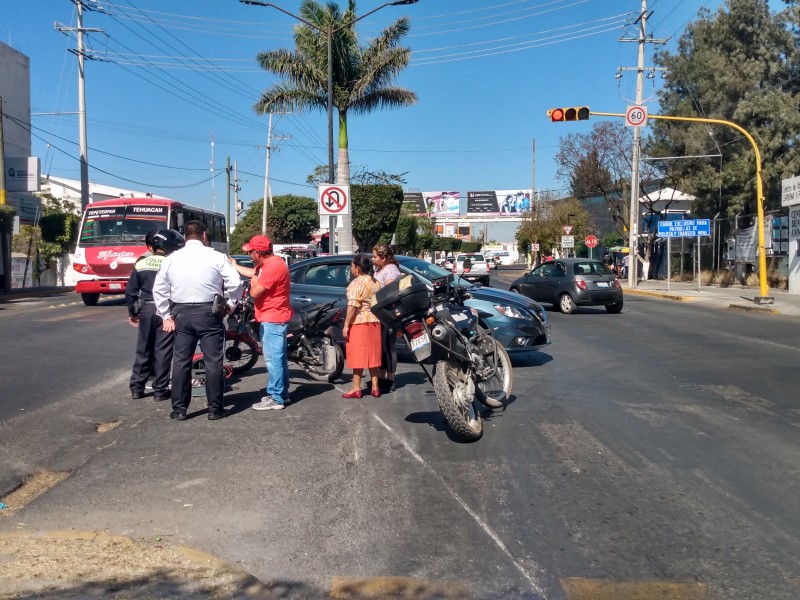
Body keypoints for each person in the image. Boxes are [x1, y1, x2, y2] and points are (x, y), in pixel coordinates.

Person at [153, 220, 242, 421]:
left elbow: (159, 289)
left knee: (181, 362)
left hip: (181, 314)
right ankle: (214, 409)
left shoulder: (171, 259)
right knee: (213, 362)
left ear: (184, 237)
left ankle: (180, 409)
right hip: (209, 313)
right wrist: (231, 304)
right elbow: (235, 282)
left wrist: (165, 315)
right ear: (204, 236)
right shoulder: (216, 256)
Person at [231, 235, 293, 411]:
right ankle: (282, 394)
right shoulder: (271, 264)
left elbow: (255, 292)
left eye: (251, 252)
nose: (250, 254)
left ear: (258, 252)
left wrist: (253, 279)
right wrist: (235, 266)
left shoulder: (272, 267)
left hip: (273, 318)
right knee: (278, 358)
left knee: (274, 360)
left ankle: (276, 397)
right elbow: (254, 273)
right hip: (274, 316)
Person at [125, 229, 185, 401]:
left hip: (146, 309)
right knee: (163, 351)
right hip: (166, 311)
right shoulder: (172, 262)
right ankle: (160, 391)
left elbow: (130, 292)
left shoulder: (142, 262)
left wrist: (133, 313)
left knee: (143, 349)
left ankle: (137, 388)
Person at [341, 254, 383, 398]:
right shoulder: (375, 282)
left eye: (352, 267)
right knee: (372, 354)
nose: (351, 270)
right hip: (374, 320)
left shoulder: (356, 283)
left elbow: (352, 306)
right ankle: (375, 387)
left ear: (358, 268)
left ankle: (356, 387)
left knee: (357, 354)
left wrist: (346, 325)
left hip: (359, 321)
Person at [372, 243, 402, 393]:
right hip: (380, 312)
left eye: (375, 256)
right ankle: (382, 376)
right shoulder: (379, 268)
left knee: (388, 347)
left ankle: (390, 379)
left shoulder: (390, 270)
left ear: (383, 258)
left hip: (388, 313)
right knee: (381, 347)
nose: (373, 259)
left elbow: (390, 293)